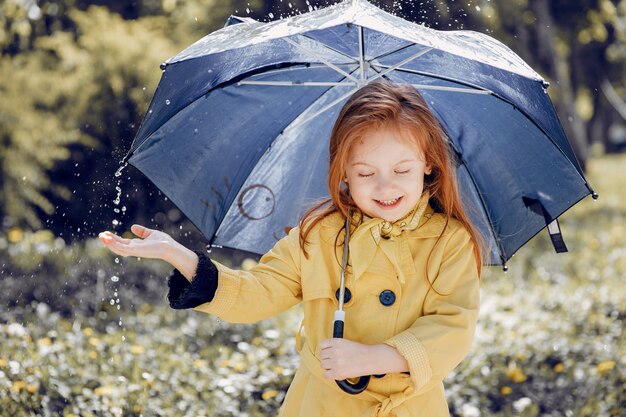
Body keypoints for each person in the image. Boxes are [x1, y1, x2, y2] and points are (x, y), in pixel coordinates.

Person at [99, 80, 484, 417]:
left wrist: (375, 357)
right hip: (320, 406)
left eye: (402, 171)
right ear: (344, 171)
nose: (385, 187)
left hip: (409, 407)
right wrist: (177, 254)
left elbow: (452, 326)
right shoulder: (319, 234)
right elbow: (257, 292)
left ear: (429, 165)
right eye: (366, 173)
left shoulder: (449, 242)